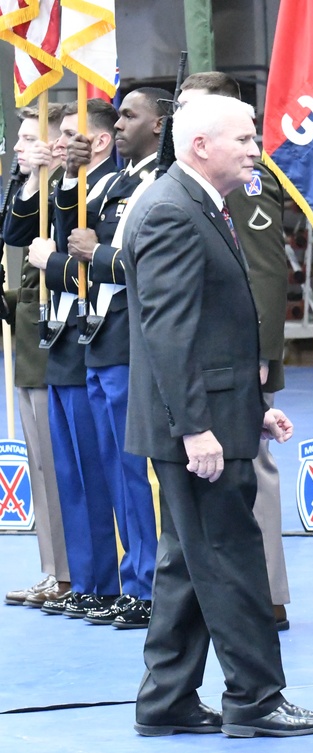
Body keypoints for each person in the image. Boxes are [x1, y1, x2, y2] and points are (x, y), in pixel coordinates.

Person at [123, 93, 313, 738]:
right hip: (195, 425)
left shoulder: (194, 205)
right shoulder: (171, 212)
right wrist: (196, 427)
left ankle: (168, 701)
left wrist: (250, 406)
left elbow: (212, 325)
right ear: (200, 147)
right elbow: (169, 332)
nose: (255, 149)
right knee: (233, 558)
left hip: (217, 409)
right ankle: (256, 698)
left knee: (189, 562)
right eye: (244, 139)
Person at [177, 71, 292, 632]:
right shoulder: (181, 187)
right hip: (208, 352)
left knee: (253, 466)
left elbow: (265, 268)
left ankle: (266, 591)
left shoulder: (245, 181)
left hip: (242, 354)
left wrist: (261, 351)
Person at [51, 90, 170, 629]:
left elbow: (131, 258)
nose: (120, 124)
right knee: (112, 468)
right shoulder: (120, 180)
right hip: (98, 331)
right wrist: (71, 179)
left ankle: (148, 584)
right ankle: (132, 578)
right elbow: (68, 233)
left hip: (129, 335)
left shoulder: (159, 182)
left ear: (159, 124)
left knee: (134, 468)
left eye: (130, 115)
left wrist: (91, 251)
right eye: (117, 116)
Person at [14, 103, 121, 620]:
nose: (58, 147)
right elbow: (17, 231)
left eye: (68, 137)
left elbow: (97, 268)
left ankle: (117, 580)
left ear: (97, 141)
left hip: (92, 334)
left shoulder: (111, 189)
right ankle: (85, 577)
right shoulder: (67, 189)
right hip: (57, 340)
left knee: (102, 471)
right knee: (70, 472)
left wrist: (49, 262)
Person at [2, 104, 71, 609]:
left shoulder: (67, 195)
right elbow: (13, 235)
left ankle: (69, 570)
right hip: (29, 342)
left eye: (30, 138)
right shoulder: (34, 193)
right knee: (40, 466)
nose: (20, 146)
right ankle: (53, 568)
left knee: (58, 464)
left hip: (57, 343)